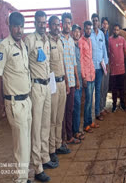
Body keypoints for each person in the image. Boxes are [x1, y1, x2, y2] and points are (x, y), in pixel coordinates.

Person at [0, 12, 32, 183]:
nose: (19, 29)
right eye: (15, 26)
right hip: (14, 103)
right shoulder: (4, 47)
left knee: (26, 143)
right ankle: (20, 180)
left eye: (21, 26)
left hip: (26, 101)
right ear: (9, 27)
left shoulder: (22, 44)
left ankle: (24, 176)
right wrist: (4, 102)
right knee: (21, 145)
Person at [24, 11, 57, 182]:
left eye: (44, 22)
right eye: (39, 22)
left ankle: (45, 158)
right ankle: (37, 167)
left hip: (46, 86)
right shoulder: (30, 40)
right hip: (36, 87)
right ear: (35, 23)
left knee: (45, 124)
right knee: (36, 128)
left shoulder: (46, 41)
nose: (42, 25)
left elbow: (48, 64)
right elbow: (24, 64)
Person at [48, 15, 71, 161]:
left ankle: (58, 144)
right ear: (50, 26)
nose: (57, 27)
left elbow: (62, 63)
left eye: (58, 25)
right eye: (54, 25)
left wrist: (67, 82)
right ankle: (51, 150)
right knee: (52, 118)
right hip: (52, 84)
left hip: (62, 82)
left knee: (59, 117)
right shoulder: (46, 42)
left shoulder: (60, 42)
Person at [60, 13, 81, 145]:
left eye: (69, 23)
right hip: (63, 82)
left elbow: (74, 62)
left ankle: (69, 135)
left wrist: (77, 79)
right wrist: (67, 82)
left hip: (72, 81)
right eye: (65, 23)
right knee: (61, 112)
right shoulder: (59, 40)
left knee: (70, 109)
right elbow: (61, 63)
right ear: (62, 24)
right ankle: (63, 138)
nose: (67, 25)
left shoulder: (71, 42)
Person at [79, 21, 97, 133]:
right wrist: (83, 77)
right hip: (86, 76)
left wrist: (93, 70)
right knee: (88, 101)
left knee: (91, 100)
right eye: (87, 29)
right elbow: (81, 59)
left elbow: (90, 58)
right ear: (83, 29)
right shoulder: (81, 42)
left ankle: (90, 121)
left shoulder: (89, 40)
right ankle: (86, 124)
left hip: (92, 74)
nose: (89, 31)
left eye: (90, 29)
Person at [90, 13, 109, 121]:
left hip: (100, 68)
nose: (95, 22)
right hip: (91, 68)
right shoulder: (89, 35)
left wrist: (106, 63)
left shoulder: (101, 34)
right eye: (93, 20)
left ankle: (97, 112)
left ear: (98, 22)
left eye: (96, 20)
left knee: (98, 90)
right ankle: (91, 114)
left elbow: (104, 50)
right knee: (90, 92)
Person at [109, 24, 126, 112]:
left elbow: (125, 52)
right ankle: (114, 105)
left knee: (122, 88)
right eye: (114, 29)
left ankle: (122, 104)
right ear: (113, 30)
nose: (116, 31)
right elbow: (108, 53)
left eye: (117, 30)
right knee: (114, 88)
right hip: (113, 69)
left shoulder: (122, 40)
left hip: (121, 68)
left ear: (119, 31)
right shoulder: (109, 40)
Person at [72, 24, 85, 140]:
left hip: (80, 78)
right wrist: (77, 79)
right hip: (75, 80)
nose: (77, 33)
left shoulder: (79, 45)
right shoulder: (70, 45)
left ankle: (76, 129)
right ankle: (75, 131)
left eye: (78, 32)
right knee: (76, 105)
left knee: (78, 104)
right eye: (75, 31)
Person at [100, 17, 110, 116]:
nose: (105, 25)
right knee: (101, 86)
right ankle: (100, 108)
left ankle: (103, 106)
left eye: (106, 23)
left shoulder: (108, 34)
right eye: (103, 23)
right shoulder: (100, 34)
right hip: (101, 63)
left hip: (107, 62)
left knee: (106, 86)